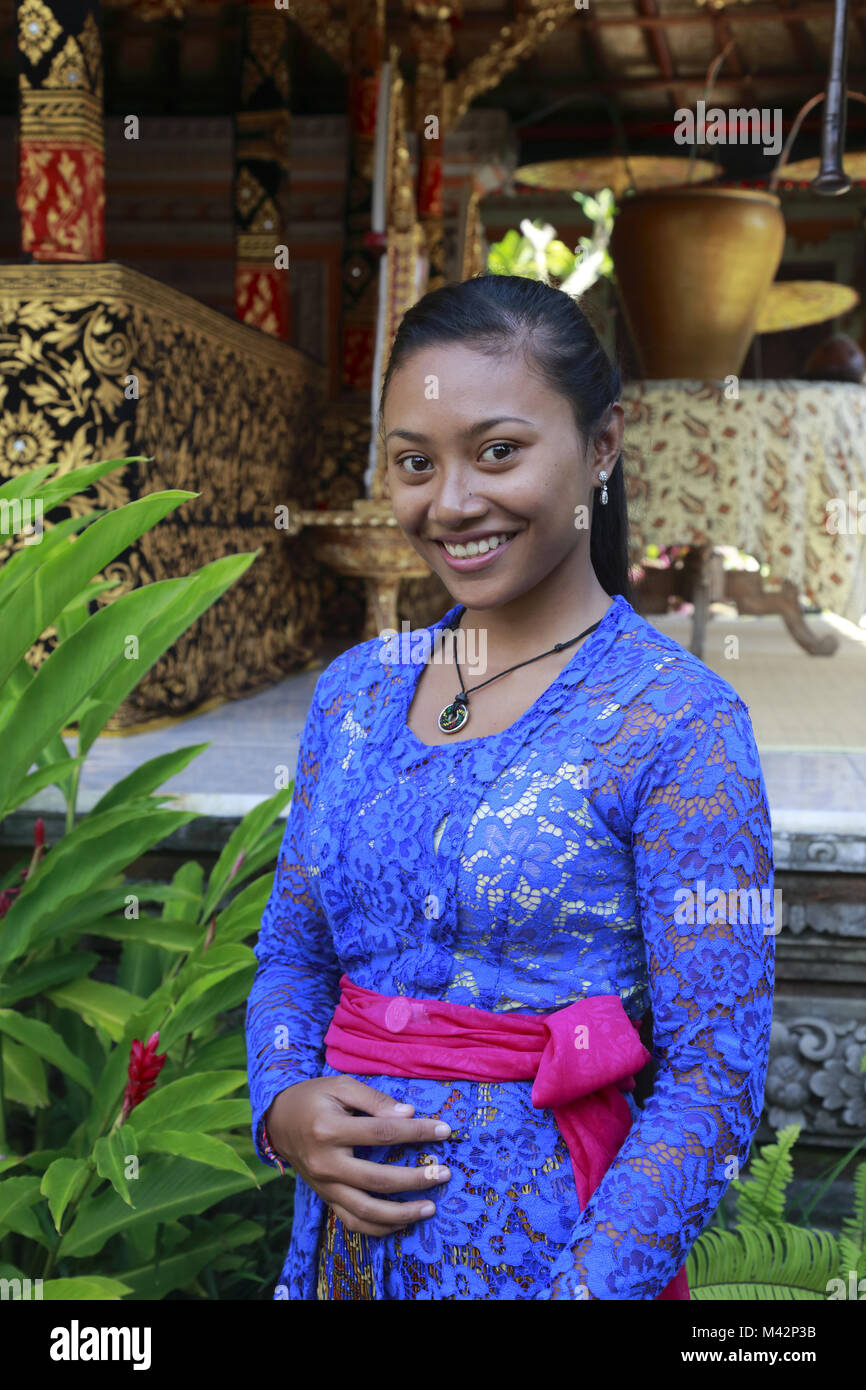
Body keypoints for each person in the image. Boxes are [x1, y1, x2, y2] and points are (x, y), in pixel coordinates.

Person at [245, 274, 775, 1301]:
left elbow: (713, 1082)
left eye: (498, 452)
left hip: (555, 1261)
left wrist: (581, 1292)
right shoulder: (358, 692)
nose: (449, 503)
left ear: (602, 444)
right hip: (341, 1266)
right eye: (413, 463)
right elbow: (293, 948)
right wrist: (282, 1104)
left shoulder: (673, 723)